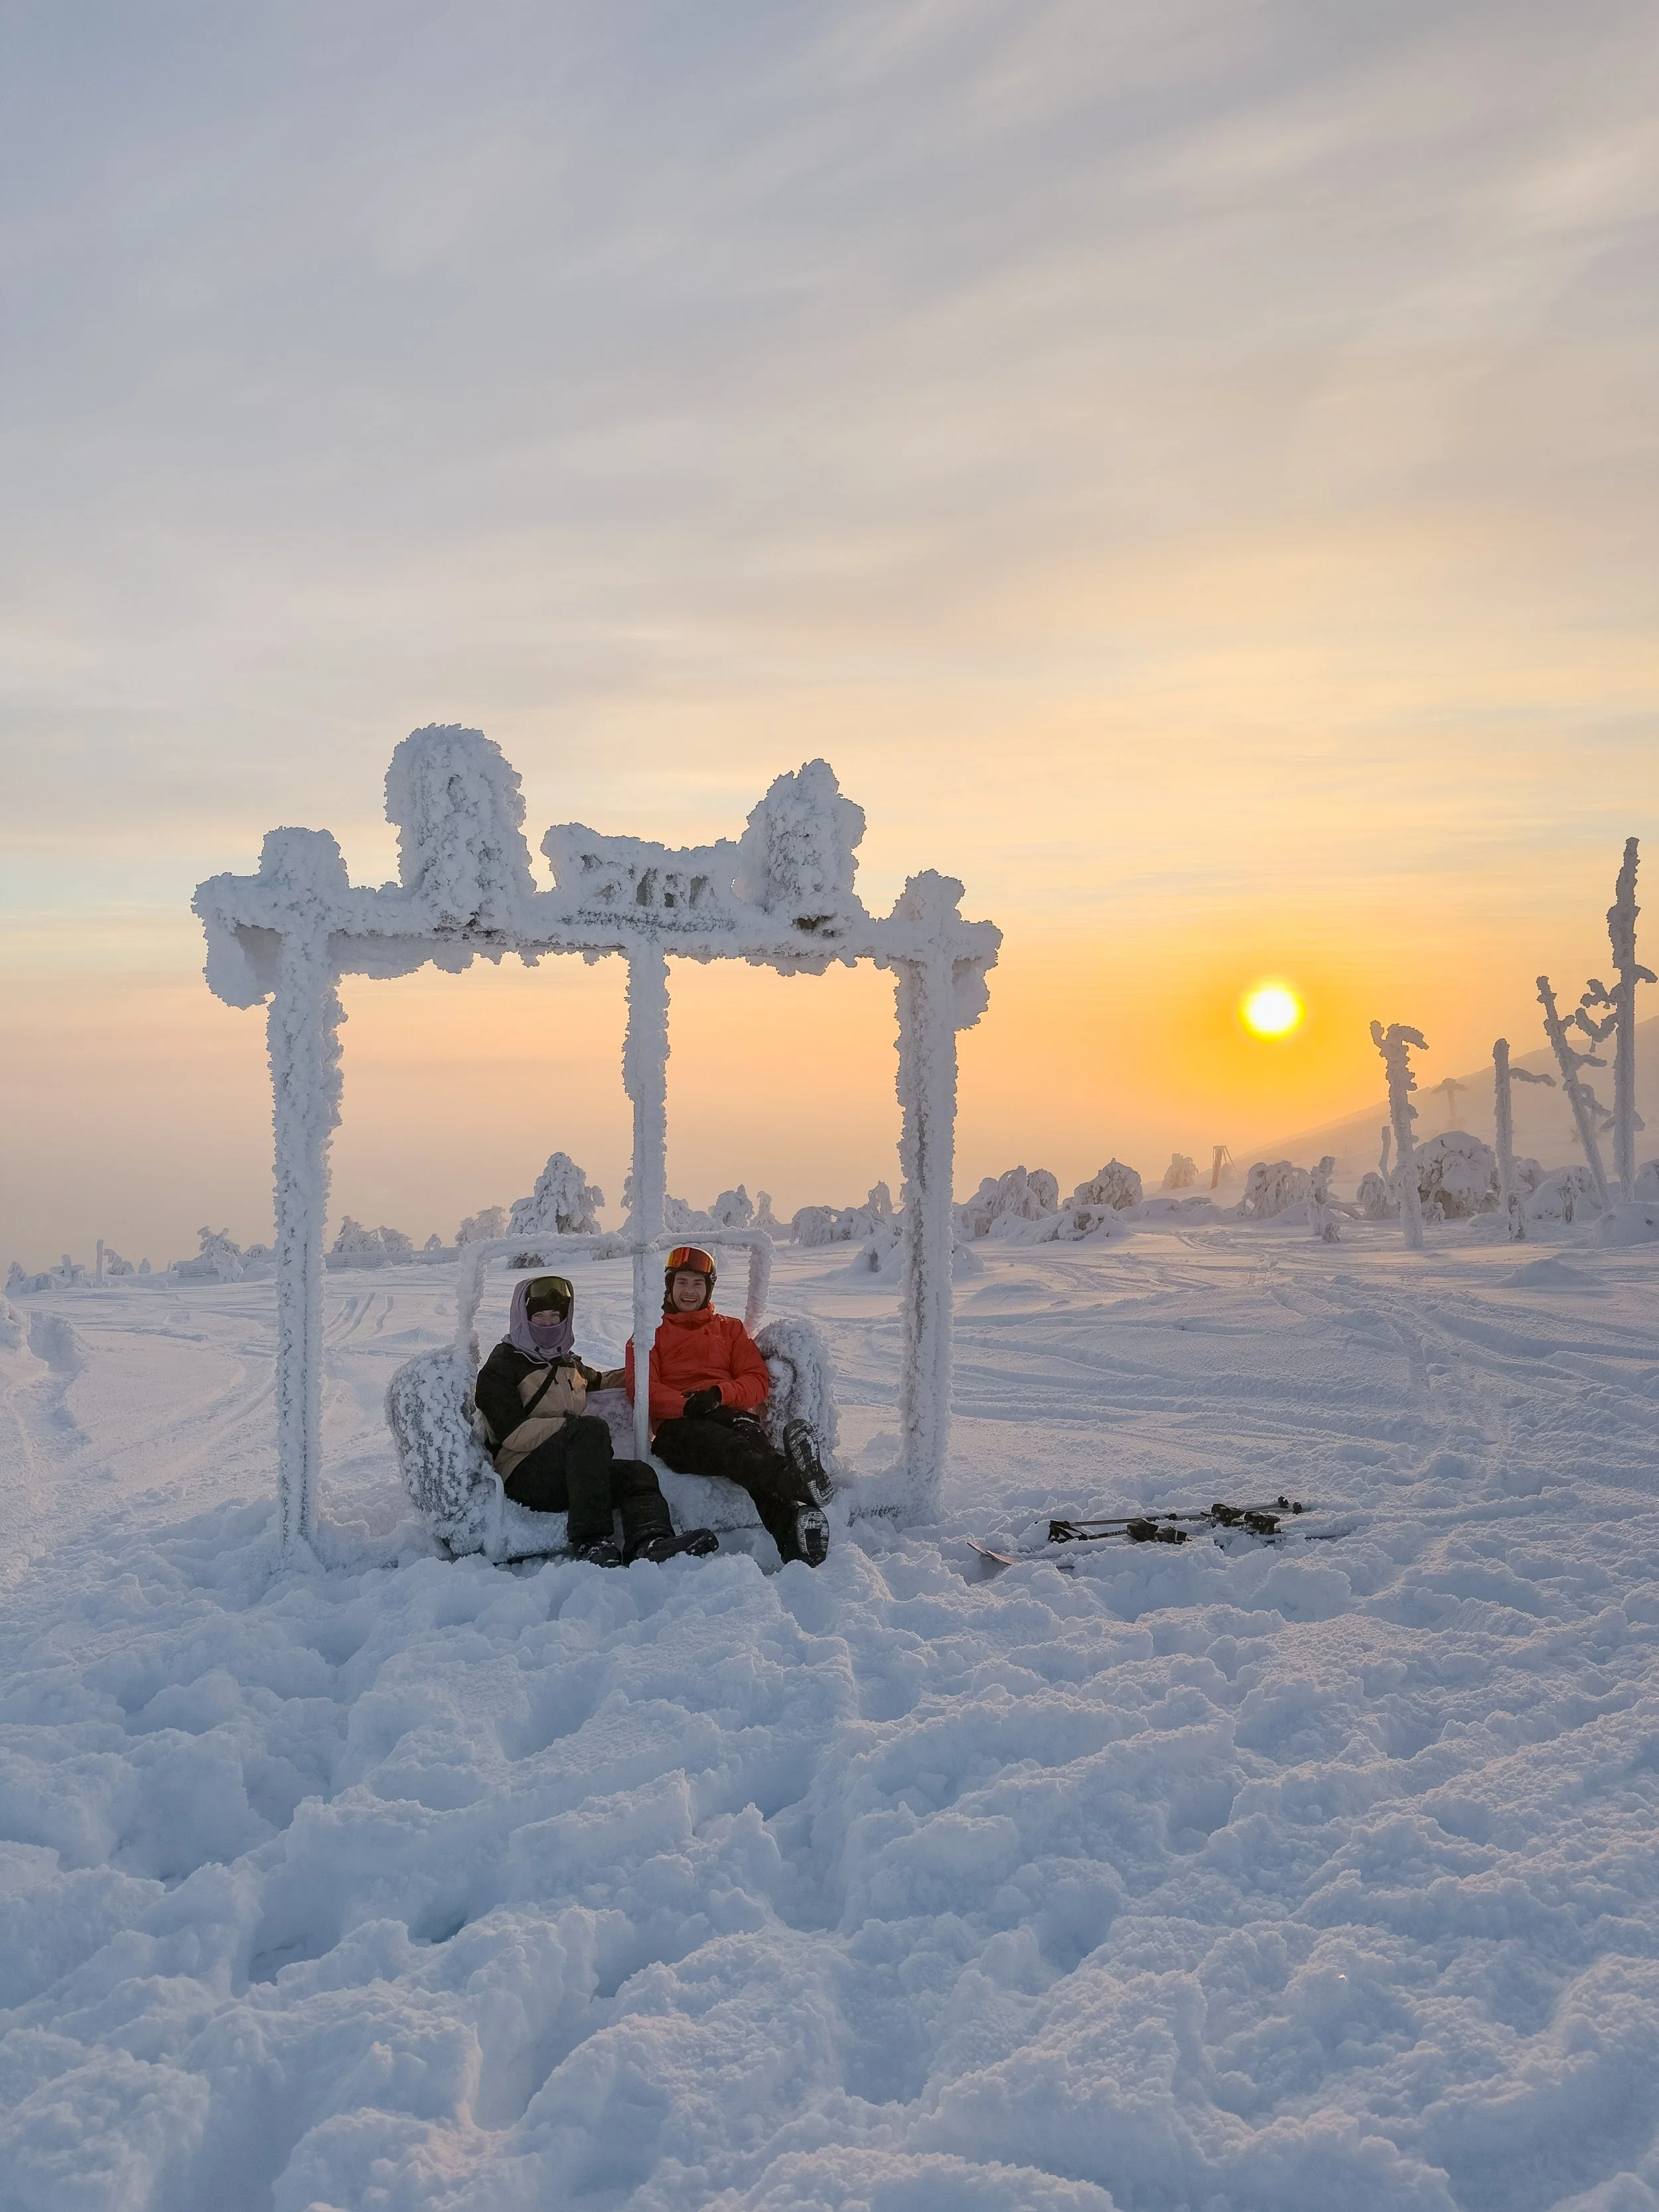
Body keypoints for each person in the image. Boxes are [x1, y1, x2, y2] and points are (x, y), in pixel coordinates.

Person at [474, 1274, 717, 1568]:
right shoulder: (501, 1367)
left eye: (555, 1316)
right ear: (522, 1318)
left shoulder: (565, 1361)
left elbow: (601, 1381)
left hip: (573, 1471)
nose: (549, 1324)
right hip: (522, 1474)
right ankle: (592, 1541)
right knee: (589, 1429)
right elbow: (512, 1436)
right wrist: (567, 1425)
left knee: (636, 1473)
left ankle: (652, 1541)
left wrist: (647, 1370)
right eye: (539, 1316)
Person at [624, 1245, 831, 1568]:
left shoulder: (730, 1330)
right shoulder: (649, 1334)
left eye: (697, 1283)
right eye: (682, 1283)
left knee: (753, 1445)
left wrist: (720, 1395)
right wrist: (687, 1405)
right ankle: (796, 1481)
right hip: (678, 1430)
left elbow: (756, 1381)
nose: (689, 1291)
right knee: (734, 1448)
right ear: (668, 1286)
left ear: (709, 1289)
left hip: (726, 1412)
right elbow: (642, 1390)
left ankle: (795, 1539)